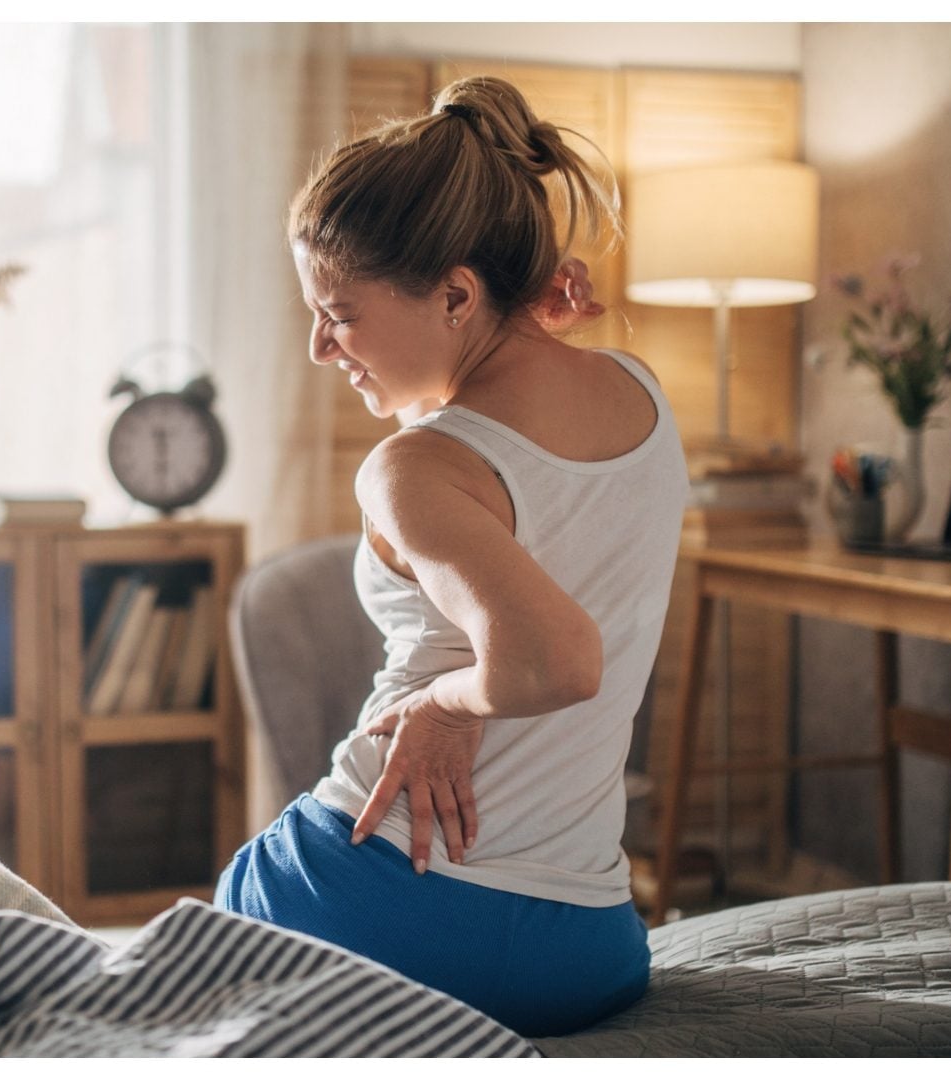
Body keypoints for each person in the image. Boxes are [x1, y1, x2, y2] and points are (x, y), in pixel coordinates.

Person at [213, 75, 689, 1039]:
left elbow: (556, 661)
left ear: (458, 294)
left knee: (212, 920)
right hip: (588, 944)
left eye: (339, 312)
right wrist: (511, 322)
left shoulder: (414, 468)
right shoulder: (644, 400)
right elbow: (539, 454)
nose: (318, 346)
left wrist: (441, 704)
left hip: (378, 906)